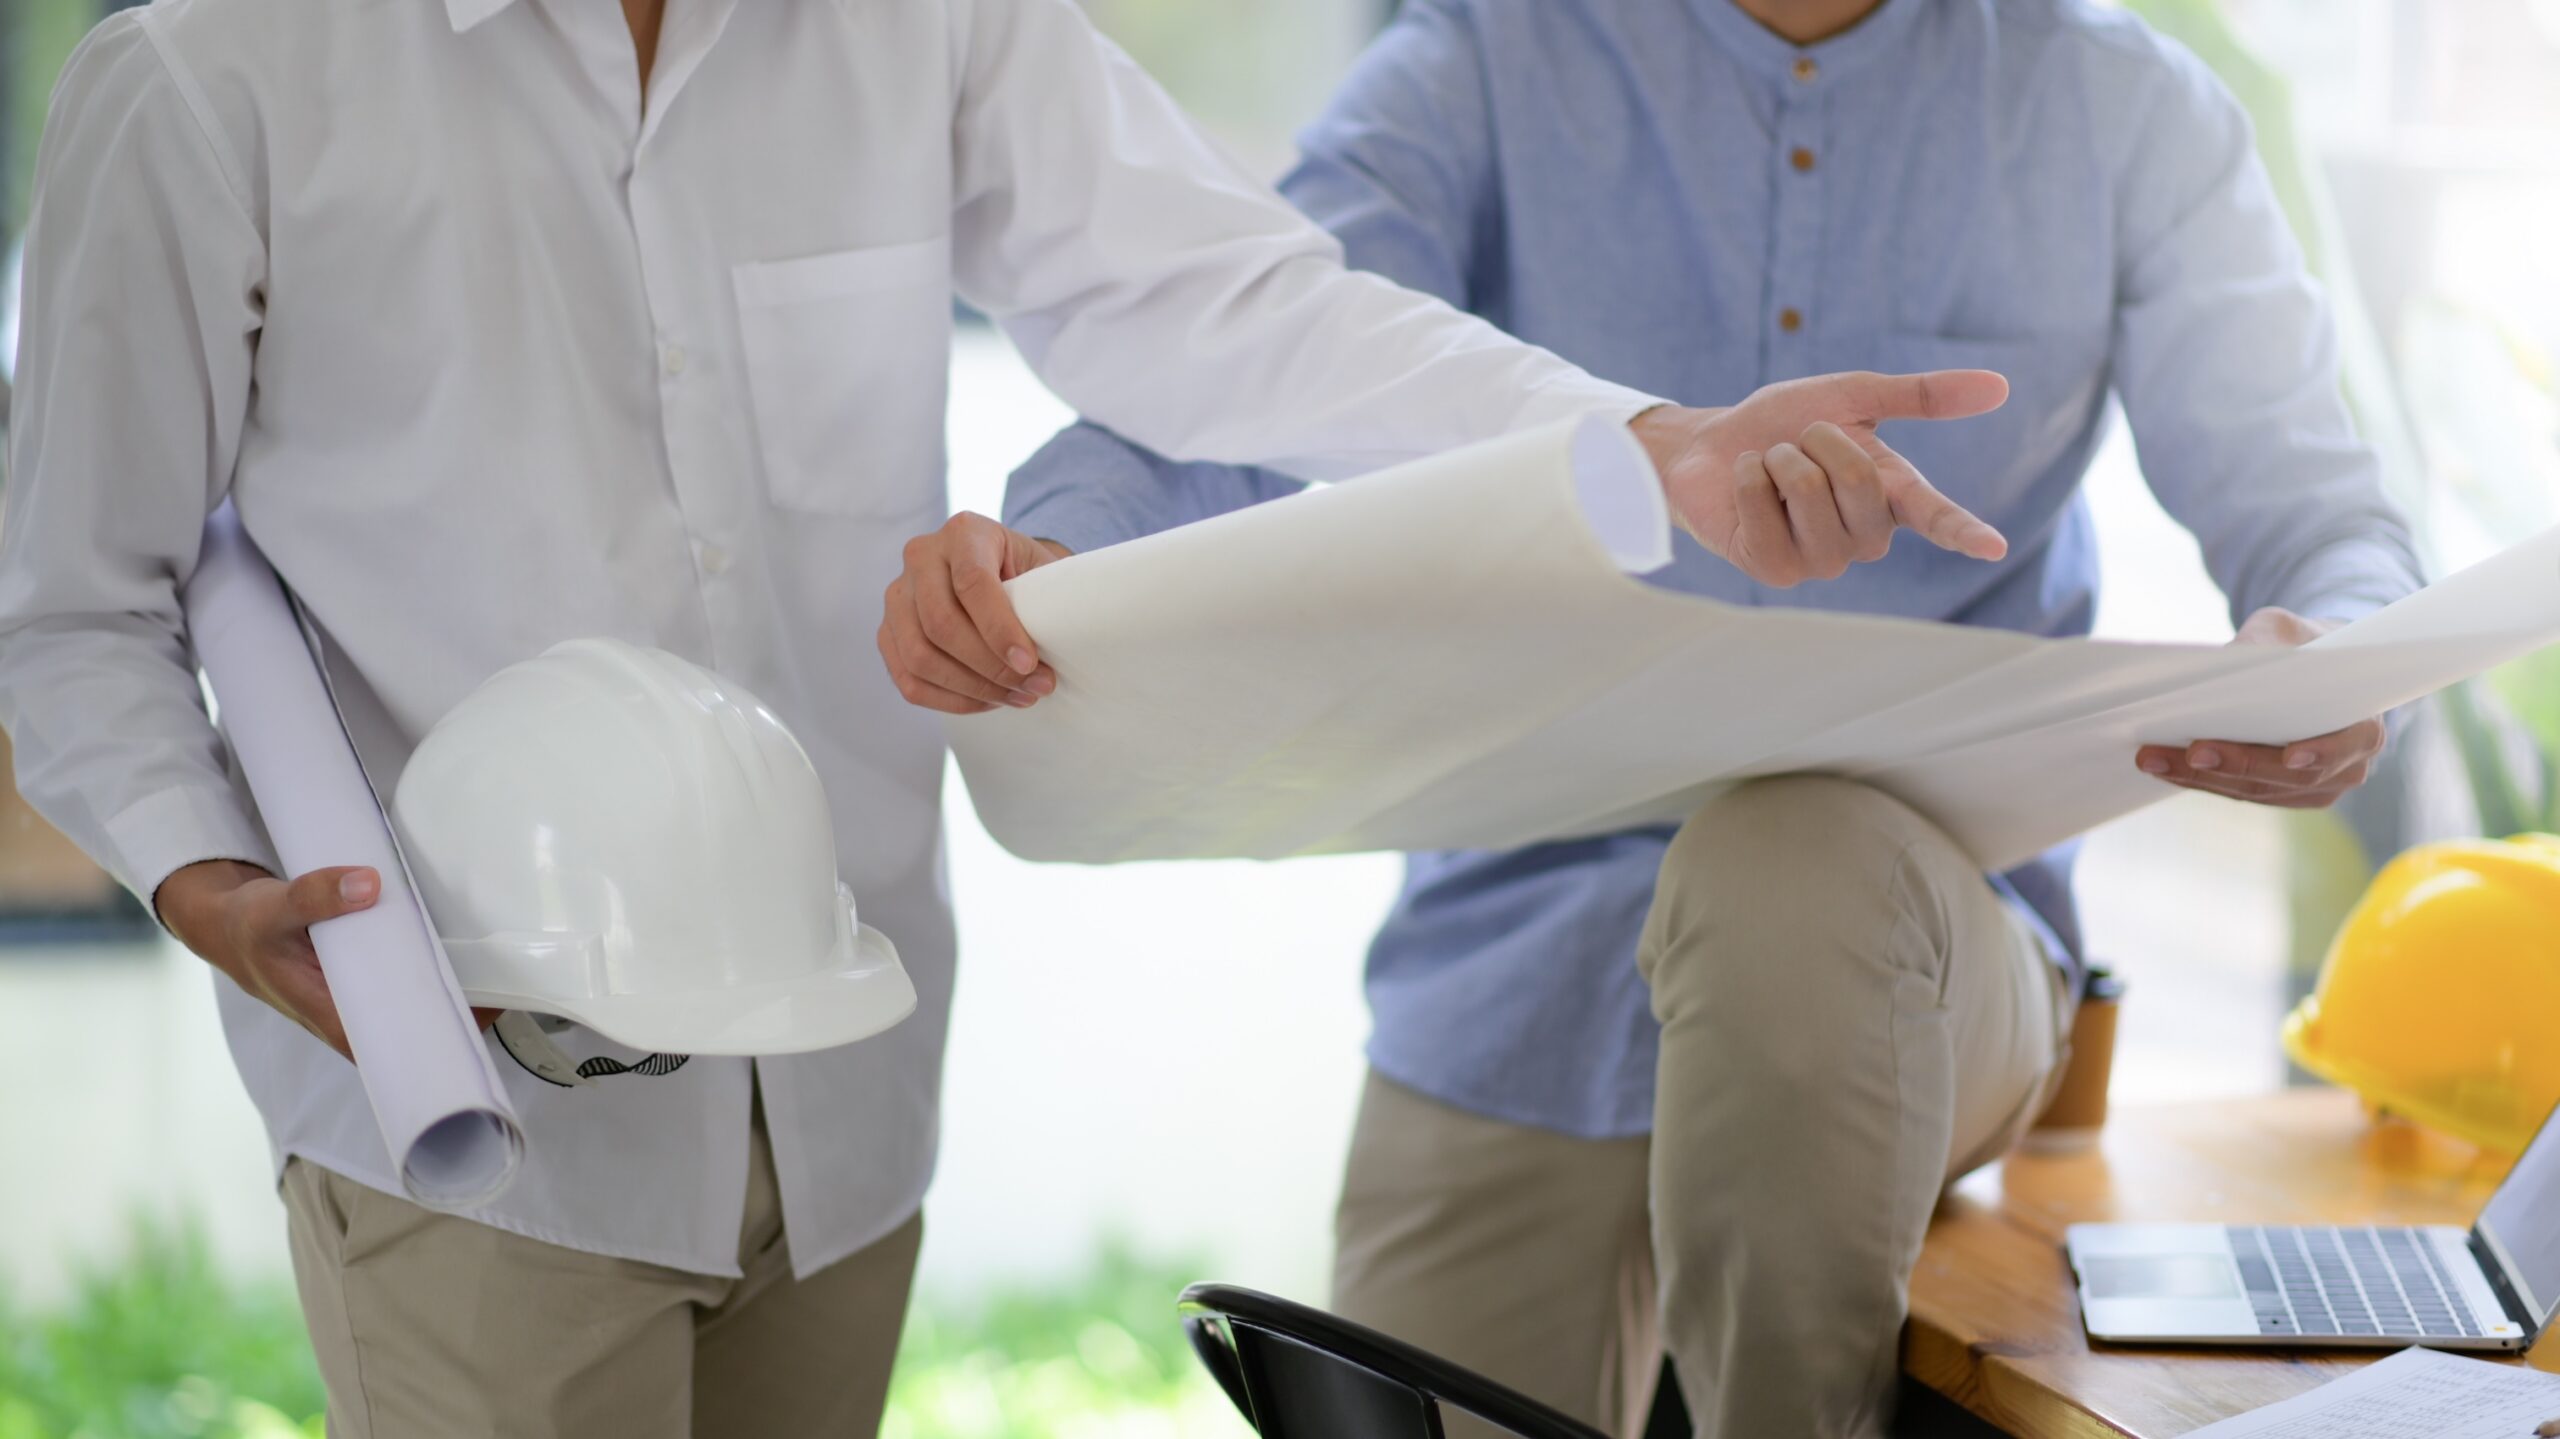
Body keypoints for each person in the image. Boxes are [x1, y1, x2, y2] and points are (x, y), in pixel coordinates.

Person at [0, 0, 2009, 1432]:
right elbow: (74, 604)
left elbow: (1225, 306)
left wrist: (1630, 444)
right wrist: (204, 884)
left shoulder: (924, 24)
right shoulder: (210, 73)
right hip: (469, 1101)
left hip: (842, 1068)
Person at [881, 0, 2424, 1434]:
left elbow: (2322, 515)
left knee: (1789, 864)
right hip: (1520, 968)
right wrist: (1062, 559)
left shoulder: (2122, 100)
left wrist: (2339, 664)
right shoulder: (1490, 60)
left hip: (1929, 960)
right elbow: (1235, 344)